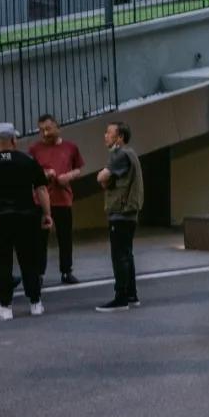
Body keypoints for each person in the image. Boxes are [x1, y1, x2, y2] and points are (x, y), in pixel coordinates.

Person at [0, 123, 53, 320]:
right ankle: (35, 303)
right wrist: (47, 213)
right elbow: (41, 189)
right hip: (26, 217)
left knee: (2, 263)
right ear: (14, 140)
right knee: (29, 260)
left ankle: (5, 307)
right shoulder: (27, 160)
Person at [29, 114, 84, 285]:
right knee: (39, 240)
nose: (45, 133)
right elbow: (30, 173)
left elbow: (78, 168)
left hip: (63, 199)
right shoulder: (34, 149)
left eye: (48, 129)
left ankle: (66, 271)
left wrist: (68, 176)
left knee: (65, 237)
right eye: (41, 130)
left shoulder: (70, 147)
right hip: (40, 200)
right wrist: (45, 174)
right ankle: (38, 274)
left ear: (57, 128)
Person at [95, 121, 144, 312]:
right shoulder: (129, 154)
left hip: (121, 212)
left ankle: (121, 297)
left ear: (120, 137)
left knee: (119, 256)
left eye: (109, 133)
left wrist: (102, 176)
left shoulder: (120, 154)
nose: (105, 136)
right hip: (129, 212)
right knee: (126, 254)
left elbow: (102, 178)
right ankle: (131, 294)